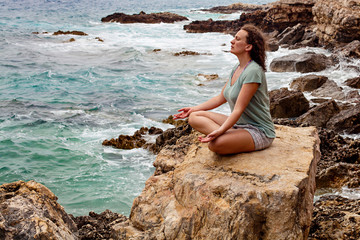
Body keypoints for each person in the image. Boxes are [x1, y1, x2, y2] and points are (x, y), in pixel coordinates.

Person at [173, 24, 275, 155]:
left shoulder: (253, 71)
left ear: (248, 47)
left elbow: (238, 109)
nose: (232, 41)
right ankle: (227, 136)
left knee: (215, 145)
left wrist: (220, 131)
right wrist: (193, 109)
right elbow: (221, 98)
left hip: (259, 131)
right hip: (239, 125)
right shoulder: (237, 68)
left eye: (238, 39)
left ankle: (223, 136)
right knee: (194, 117)